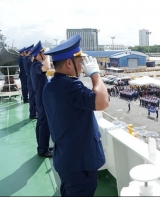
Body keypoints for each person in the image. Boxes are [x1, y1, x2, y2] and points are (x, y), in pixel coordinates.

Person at [43, 34, 109, 196]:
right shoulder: (70, 86)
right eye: (80, 62)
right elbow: (102, 102)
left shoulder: (51, 85)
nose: (82, 67)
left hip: (67, 159)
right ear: (68, 63)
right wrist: (95, 74)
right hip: (80, 164)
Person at [29, 41, 52, 158]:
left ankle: (43, 146)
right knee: (44, 124)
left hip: (40, 96)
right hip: (42, 98)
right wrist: (47, 56)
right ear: (39, 54)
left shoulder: (34, 65)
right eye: (43, 53)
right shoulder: (36, 65)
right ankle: (43, 150)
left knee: (41, 122)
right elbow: (47, 67)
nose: (45, 55)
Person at [23, 44, 37, 119]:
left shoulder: (25, 58)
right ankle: (33, 114)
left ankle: (33, 112)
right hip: (31, 79)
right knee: (33, 97)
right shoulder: (29, 59)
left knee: (33, 97)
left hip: (30, 78)